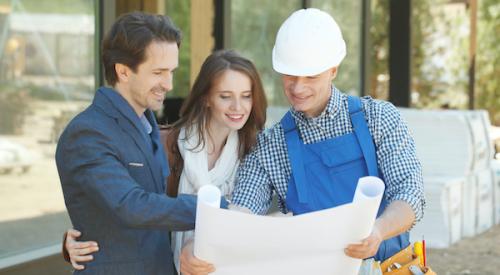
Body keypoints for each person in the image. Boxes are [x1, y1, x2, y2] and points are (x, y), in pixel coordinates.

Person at [180, 8, 425, 274]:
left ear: (333, 70)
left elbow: (410, 194)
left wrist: (378, 231)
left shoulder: (378, 118)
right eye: (290, 76)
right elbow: (242, 214)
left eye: (310, 77)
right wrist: (197, 244)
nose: (297, 88)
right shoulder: (271, 145)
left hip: (391, 267)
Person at [62, 49, 267, 274]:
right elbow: (129, 205)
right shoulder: (167, 144)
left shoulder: (256, 151)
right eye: (225, 96)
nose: (238, 107)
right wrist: (75, 241)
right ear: (206, 97)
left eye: (246, 96)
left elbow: (266, 222)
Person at [55, 12, 227, 275]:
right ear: (123, 71)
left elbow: (156, 207)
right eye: (158, 72)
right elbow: (130, 205)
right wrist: (214, 210)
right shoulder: (87, 133)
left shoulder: (149, 127)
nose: (169, 84)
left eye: (171, 71)